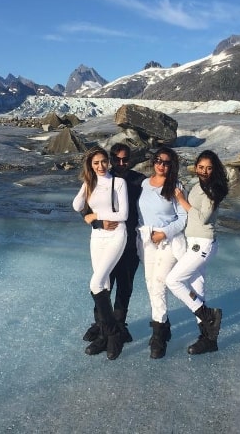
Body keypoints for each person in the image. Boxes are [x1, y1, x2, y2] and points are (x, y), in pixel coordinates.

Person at [166, 150, 228, 354]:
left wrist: (182, 200)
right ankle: (208, 338)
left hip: (202, 244)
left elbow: (203, 217)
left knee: (173, 280)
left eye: (209, 168)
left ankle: (207, 314)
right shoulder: (197, 186)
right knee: (196, 289)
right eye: (201, 167)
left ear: (215, 169)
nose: (204, 171)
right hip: (193, 241)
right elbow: (188, 213)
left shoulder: (213, 189)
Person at [82, 143, 145, 344]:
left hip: (129, 243)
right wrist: (93, 219)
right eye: (116, 159)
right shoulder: (100, 179)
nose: (121, 163)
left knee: (124, 286)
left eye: (125, 159)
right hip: (106, 239)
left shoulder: (138, 181)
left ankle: (118, 324)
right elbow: (85, 206)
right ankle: (101, 323)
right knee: (102, 282)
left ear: (130, 160)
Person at [72, 146, 128, 360]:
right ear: (90, 165)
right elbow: (76, 205)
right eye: (96, 163)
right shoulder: (91, 183)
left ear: (109, 162)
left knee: (95, 284)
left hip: (116, 235)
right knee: (103, 285)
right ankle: (105, 335)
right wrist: (87, 184)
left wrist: (95, 216)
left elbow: (123, 214)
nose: (101, 166)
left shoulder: (118, 183)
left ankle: (114, 335)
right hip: (97, 237)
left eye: (104, 161)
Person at [137, 147, 187, 359]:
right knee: (150, 282)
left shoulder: (175, 186)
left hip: (167, 241)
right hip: (146, 239)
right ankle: (163, 327)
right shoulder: (144, 185)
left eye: (166, 162)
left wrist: (164, 233)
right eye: (158, 160)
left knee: (159, 282)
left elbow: (183, 218)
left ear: (171, 165)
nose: (161, 165)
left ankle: (158, 334)